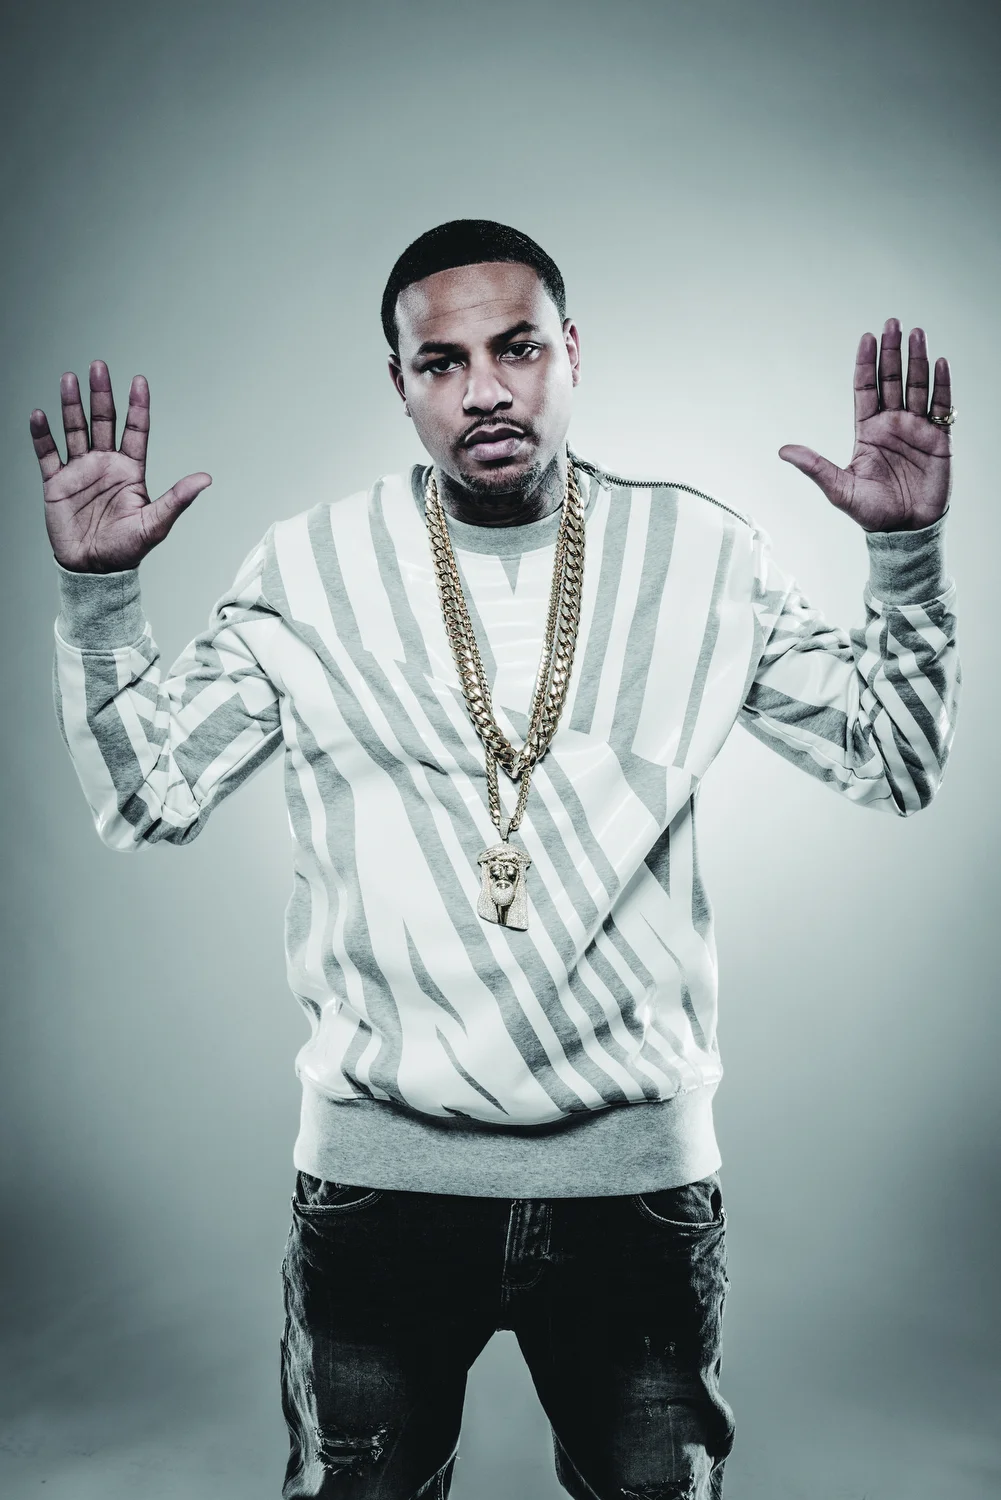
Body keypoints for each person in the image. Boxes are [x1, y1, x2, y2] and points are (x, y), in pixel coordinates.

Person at [33, 219, 959, 1500]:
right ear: (401, 386)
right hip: (377, 1187)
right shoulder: (308, 572)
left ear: (569, 353)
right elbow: (146, 798)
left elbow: (894, 762)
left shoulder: (699, 558)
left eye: (516, 347)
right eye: (441, 362)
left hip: (633, 1190)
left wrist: (902, 559)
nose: (483, 389)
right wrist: (99, 600)